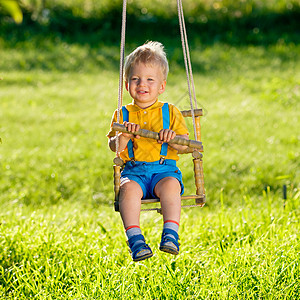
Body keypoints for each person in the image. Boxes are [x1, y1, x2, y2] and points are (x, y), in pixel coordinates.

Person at [107, 41, 189, 262]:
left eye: (150, 80)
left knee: (172, 187)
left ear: (161, 86)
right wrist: (123, 136)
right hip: (134, 172)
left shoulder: (170, 112)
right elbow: (114, 147)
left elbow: (185, 145)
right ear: (127, 85)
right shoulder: (122, 113)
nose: (142, 84)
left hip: (164, 171)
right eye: (136, 79)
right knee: (128, 191)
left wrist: (173, 139)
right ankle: (135, 239)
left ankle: (170, 234)